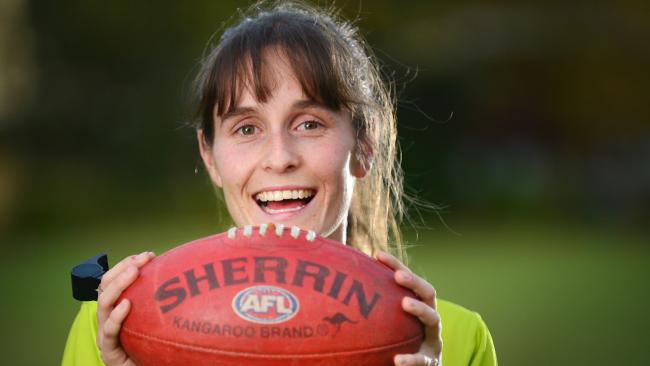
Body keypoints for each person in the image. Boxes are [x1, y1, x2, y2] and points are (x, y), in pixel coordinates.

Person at [62, 1, 497, 365]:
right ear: (209, 156)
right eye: (247, 129)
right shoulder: (118, 323)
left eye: (309, 124)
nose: (280, 158)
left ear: (365, 146)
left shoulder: (452, 339)